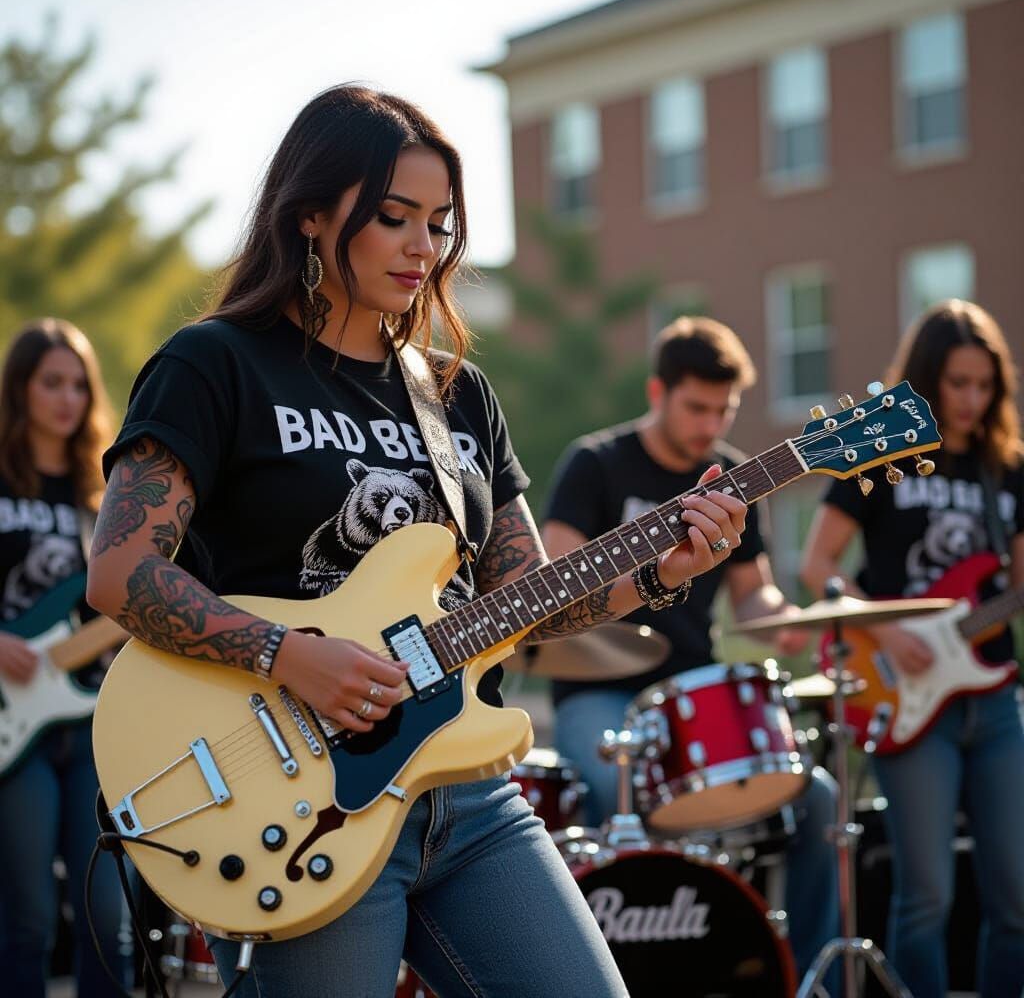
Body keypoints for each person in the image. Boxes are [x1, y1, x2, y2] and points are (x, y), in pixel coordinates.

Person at [84, 84, 748, 998]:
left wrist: (663, 571)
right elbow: (120, 573)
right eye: (395, 217)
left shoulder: (457, 395)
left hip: (469, 795)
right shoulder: (215, 362)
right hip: (306, 798)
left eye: (439, 222)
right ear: (313, 215)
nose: (423, 246)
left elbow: (532, 603)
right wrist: (290, 656)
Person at [542, 315, 840, 981]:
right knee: (602, 782)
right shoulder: (596, 463)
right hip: (597, 690)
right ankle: (597, 974)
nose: (711, 423)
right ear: (658, 391)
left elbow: (752, 593)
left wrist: (782, 621)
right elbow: (554, 578)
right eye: (697, 406)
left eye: (724, 409)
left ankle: (809, 976)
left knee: (818, 800)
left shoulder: (734, 475)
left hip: (693, 695)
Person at [801, 299, 1024, 998]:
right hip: (903, 692)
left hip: (993, 700)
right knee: (925, 896)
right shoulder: (883, 448)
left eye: (984, 385)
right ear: (927, 380)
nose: (971, 399)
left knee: (1016, 897)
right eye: (957, 383)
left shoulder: (1007, 469)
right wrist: (883, 628)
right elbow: (817, 568)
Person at [0, 319, 129, 997]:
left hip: (91, 722)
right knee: (25, 918)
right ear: (19, 389)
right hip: (14, 733)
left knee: (107, 916)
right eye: (51, 382)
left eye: (79, 384)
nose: (68, 398)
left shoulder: (102, 499)